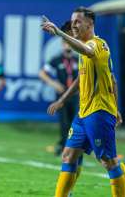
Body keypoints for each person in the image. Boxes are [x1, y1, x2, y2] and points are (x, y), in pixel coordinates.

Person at [42, 7, 125, 197]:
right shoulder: (83, 50)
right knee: (68, 155)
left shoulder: (98, 45)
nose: (74, 25)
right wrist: (63, 100)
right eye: (72, 22)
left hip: (99, 112)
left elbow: (88, 52)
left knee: (108, 161)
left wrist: (59, 33)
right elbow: (82, 79)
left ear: (90, 24)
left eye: (77, 22)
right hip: (83, 113)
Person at [39, 21, 78, 156]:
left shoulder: (77, 59)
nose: (67, 46)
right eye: (65, 43)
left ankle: (73, 147)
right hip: (61, 95)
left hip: (75, 95)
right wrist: (54, 84)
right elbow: (42, 73)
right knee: (64, 122)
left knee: (75, 123)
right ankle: (63, 146)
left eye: (69, 43)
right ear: (62, 44)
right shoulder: (57, 59)